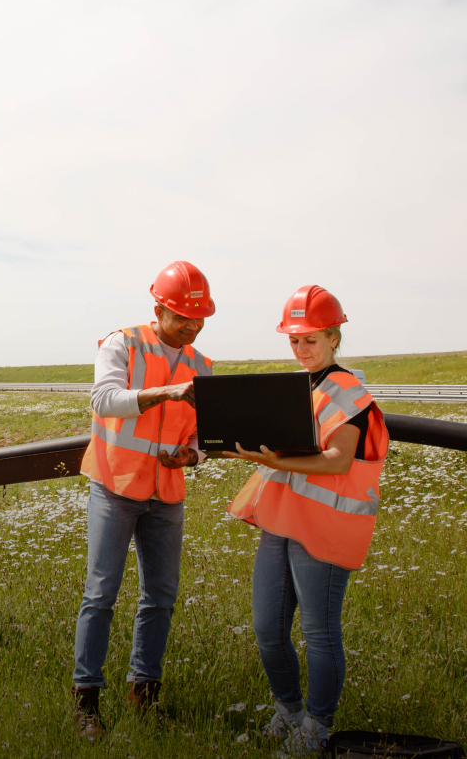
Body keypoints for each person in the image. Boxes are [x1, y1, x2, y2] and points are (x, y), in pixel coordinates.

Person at [225, 285, 387, 757]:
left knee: (319, 631)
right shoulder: (300, 386)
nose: (300, 350)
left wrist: (275, 461)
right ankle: (289, 711)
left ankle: (317, 727)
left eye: (310, 340)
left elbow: (338, 461)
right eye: (293, 341)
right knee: (267, 627)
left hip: (326, 527)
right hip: (283, 519)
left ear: (335, 337)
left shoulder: (349, 392)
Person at [73, 260, 214, 739]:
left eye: (199, 320)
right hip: (115, 485)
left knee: (161, 597)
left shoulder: (202, 365)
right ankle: (86, 701)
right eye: (182, 319)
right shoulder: (123, 343)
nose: (191, 328)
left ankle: (144, 694)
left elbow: (202, 436)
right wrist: (167, 392)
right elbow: (103, 400)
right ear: (158, 309)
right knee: (101, 594)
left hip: (166, 491)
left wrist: (190, 456)